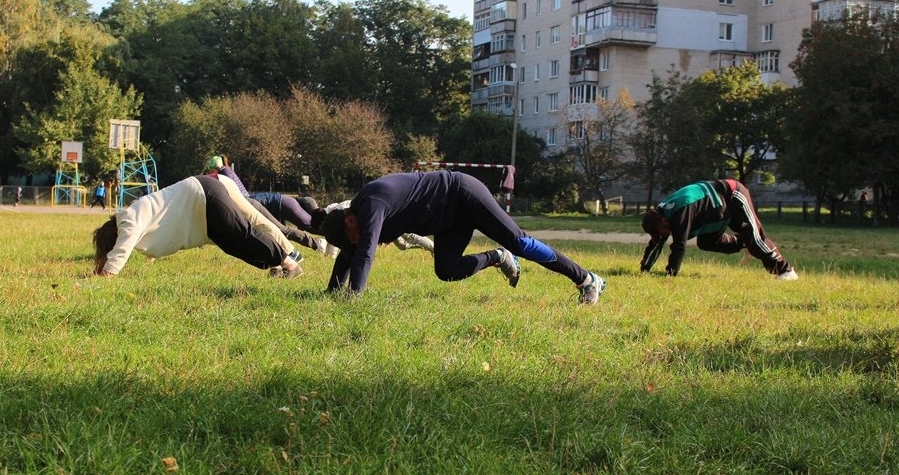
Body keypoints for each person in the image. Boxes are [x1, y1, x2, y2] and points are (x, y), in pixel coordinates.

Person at [318, 170, 605, 304]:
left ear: (350, 220)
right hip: (447, 221)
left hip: (463, 194)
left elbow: (365, 251)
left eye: (351, 236)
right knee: (447, 271)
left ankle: (587, 279)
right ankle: (497, 257)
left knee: (519, 242)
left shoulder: (372, 204)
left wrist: (354, 296)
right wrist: (333, 291)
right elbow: (351, 252)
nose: (354, 242)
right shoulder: (354, 220)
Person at [93, 174, 303, 279]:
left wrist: (107, 274)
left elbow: (120, 251)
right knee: (231, 245)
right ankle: (276, 265)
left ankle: (290, 264)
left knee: (242, 233)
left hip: (203, 194)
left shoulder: (128, 221)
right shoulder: (131, 219)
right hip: (200, 215)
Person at [640, 178, 798, 280]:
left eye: (663, 232)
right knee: (706, 242)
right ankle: (744, 243)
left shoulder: (681, 211)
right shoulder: (661, 215)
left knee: (755, 237)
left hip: (733, 194)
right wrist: (644, 269)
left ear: (664, 222)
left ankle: (785, 271)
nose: (665, 235)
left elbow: (679, 246)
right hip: (714, 211)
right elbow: (656, 243)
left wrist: (670, 275)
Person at [204, 159, 330, 256]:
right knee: (280, 230)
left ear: (214, 169)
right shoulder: (227, 172)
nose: (209, 174)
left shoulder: (224, 174)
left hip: (281, 203)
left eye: (210, 171)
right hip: (274, 203)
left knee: (306, 226)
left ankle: (326, 239)